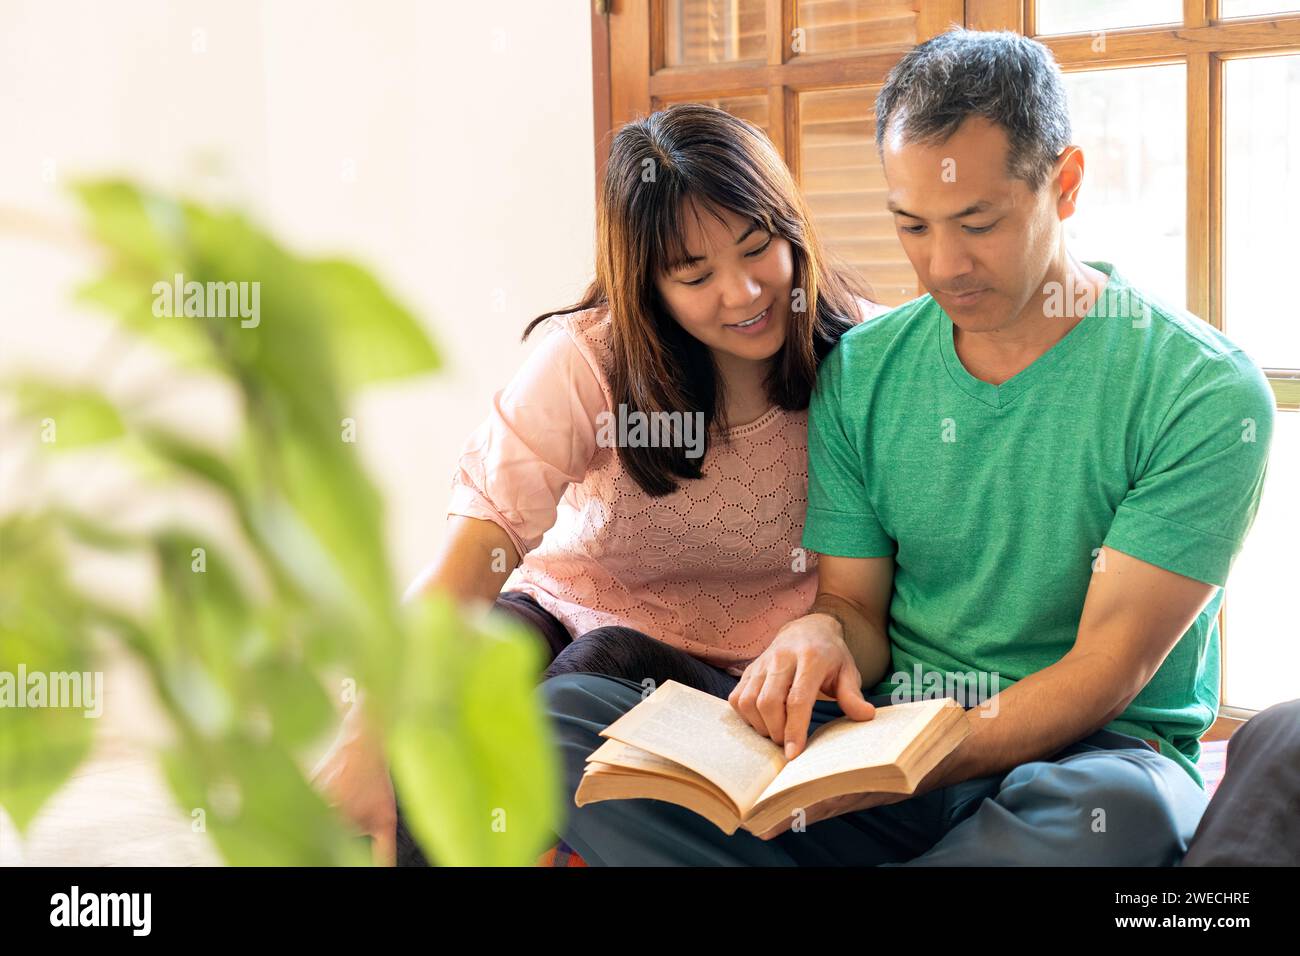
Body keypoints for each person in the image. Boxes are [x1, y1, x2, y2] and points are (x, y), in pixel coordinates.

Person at [542, 28, 1277, 866]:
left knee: (1123, 812)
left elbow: (1105, 669)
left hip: (1082, 759)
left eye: (978, 222)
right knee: (566, 724)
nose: (944, 264)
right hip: (879, 743)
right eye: (912, 226)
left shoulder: (1201, 391)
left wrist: (922, 762)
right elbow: (856, 608)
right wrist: (821, 638)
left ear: (1064, 184)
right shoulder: (864, 371)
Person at [310, 103, 887, 865]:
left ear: (791, 229)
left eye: (758, 249)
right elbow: (466, 566)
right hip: (562, 611)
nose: (744, 293)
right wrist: (364, 737)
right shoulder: (586, 361)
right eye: (696, 274)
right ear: (646, 282)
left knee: (593, 671)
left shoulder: (863, 353)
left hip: (732, 677)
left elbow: (864, 602)